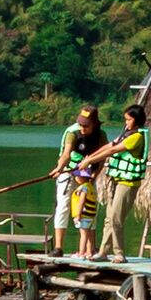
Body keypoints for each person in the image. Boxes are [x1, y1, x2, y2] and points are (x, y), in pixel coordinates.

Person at [82, 101, 148, 259]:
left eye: (129, 120)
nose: (126, 123)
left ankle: (119, 254)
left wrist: (89, 162)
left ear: (137, 120)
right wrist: (90, 157)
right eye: (125, 120)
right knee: (108, 218)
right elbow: (110, 144)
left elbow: (113, 150)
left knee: (116, 219)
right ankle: (104, 252)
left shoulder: (136, 137)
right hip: (117, 181)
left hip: (127, 183)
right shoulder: (127, 133)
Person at [49, 105, 103, 254]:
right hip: (69, 171)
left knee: (90, 208)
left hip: (87, 174)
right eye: (80, 124)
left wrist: (94, 175)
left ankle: (91, 247)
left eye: (86, 125)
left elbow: (103, 157)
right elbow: (66, 154)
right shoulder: (72, 133)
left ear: (94, 123)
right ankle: (58, 247)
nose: (82, 128)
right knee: (63, 205)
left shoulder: (100, 135)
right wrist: (59, 168)